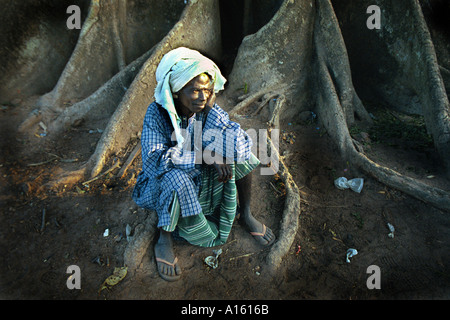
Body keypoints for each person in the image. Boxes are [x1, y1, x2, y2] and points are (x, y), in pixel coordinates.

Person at [132, 47, 275, 281]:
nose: (201, 96)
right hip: (161, 186)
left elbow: (240, 145)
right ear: (177, 91)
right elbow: (154, 162)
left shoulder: (206, 108)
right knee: (175, 177)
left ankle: (245, 213)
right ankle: (163, 239)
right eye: (195, 90)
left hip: (199, 181)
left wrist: (210, 109)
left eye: (207, 91)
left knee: (241, 155)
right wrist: (205, 156)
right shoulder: (156, 114)